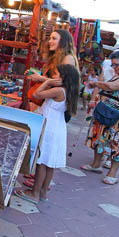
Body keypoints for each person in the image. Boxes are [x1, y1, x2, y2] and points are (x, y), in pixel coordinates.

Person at [14, 64, 80, 203]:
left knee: (42, 161)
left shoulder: (59, 90)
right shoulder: (68, 91)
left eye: (55, 74)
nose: (53, 77)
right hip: (57, 126)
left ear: (63, 78)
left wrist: (47, 82)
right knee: (50, 163)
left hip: (49, 126)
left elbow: (36, 94)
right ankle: (42, 193)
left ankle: (35, 193)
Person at [24, 29, 78, 188]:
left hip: (54, 109)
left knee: (45, 154)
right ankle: (39, 183)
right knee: (46, 156)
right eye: (50, 38)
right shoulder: (58, 57)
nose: (50, 41)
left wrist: (41, 79)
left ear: (63, 41)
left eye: (54, 38)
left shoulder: (67, 58)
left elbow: (62, 81)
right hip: (53, 108)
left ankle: (39, 186)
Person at [81, 50, 119, 185]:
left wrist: (95, 83)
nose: (114, 68)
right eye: (112, 65)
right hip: (106, 112)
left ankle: (112, 173)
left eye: (116, 65)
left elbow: (110, 86)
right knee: (100, 138)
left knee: (116, 144)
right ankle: (96, 164)